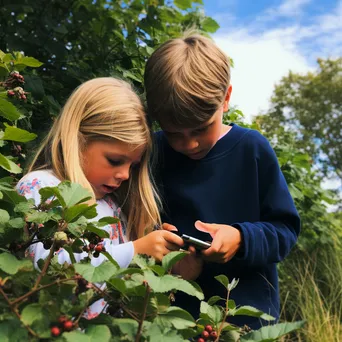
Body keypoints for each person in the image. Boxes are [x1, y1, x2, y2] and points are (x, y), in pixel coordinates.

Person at [144, 33, 300, 329]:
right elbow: (135, 220)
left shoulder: (252, 149)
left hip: (245, 322)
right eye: (175, 132)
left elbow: (285, 230)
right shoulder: (153, 152)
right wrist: (161, 250)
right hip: (169, 319)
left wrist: (241, 239)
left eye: (201, 129)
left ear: (226, 98)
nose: (189, 144)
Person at [17, 77, 183, 319]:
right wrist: (134, 250)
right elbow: (52, 271)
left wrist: (155, 254)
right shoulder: (40, 187)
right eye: (115, 160)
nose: (125, 174)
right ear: (77, 138)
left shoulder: (112, 205)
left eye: (133, 166)